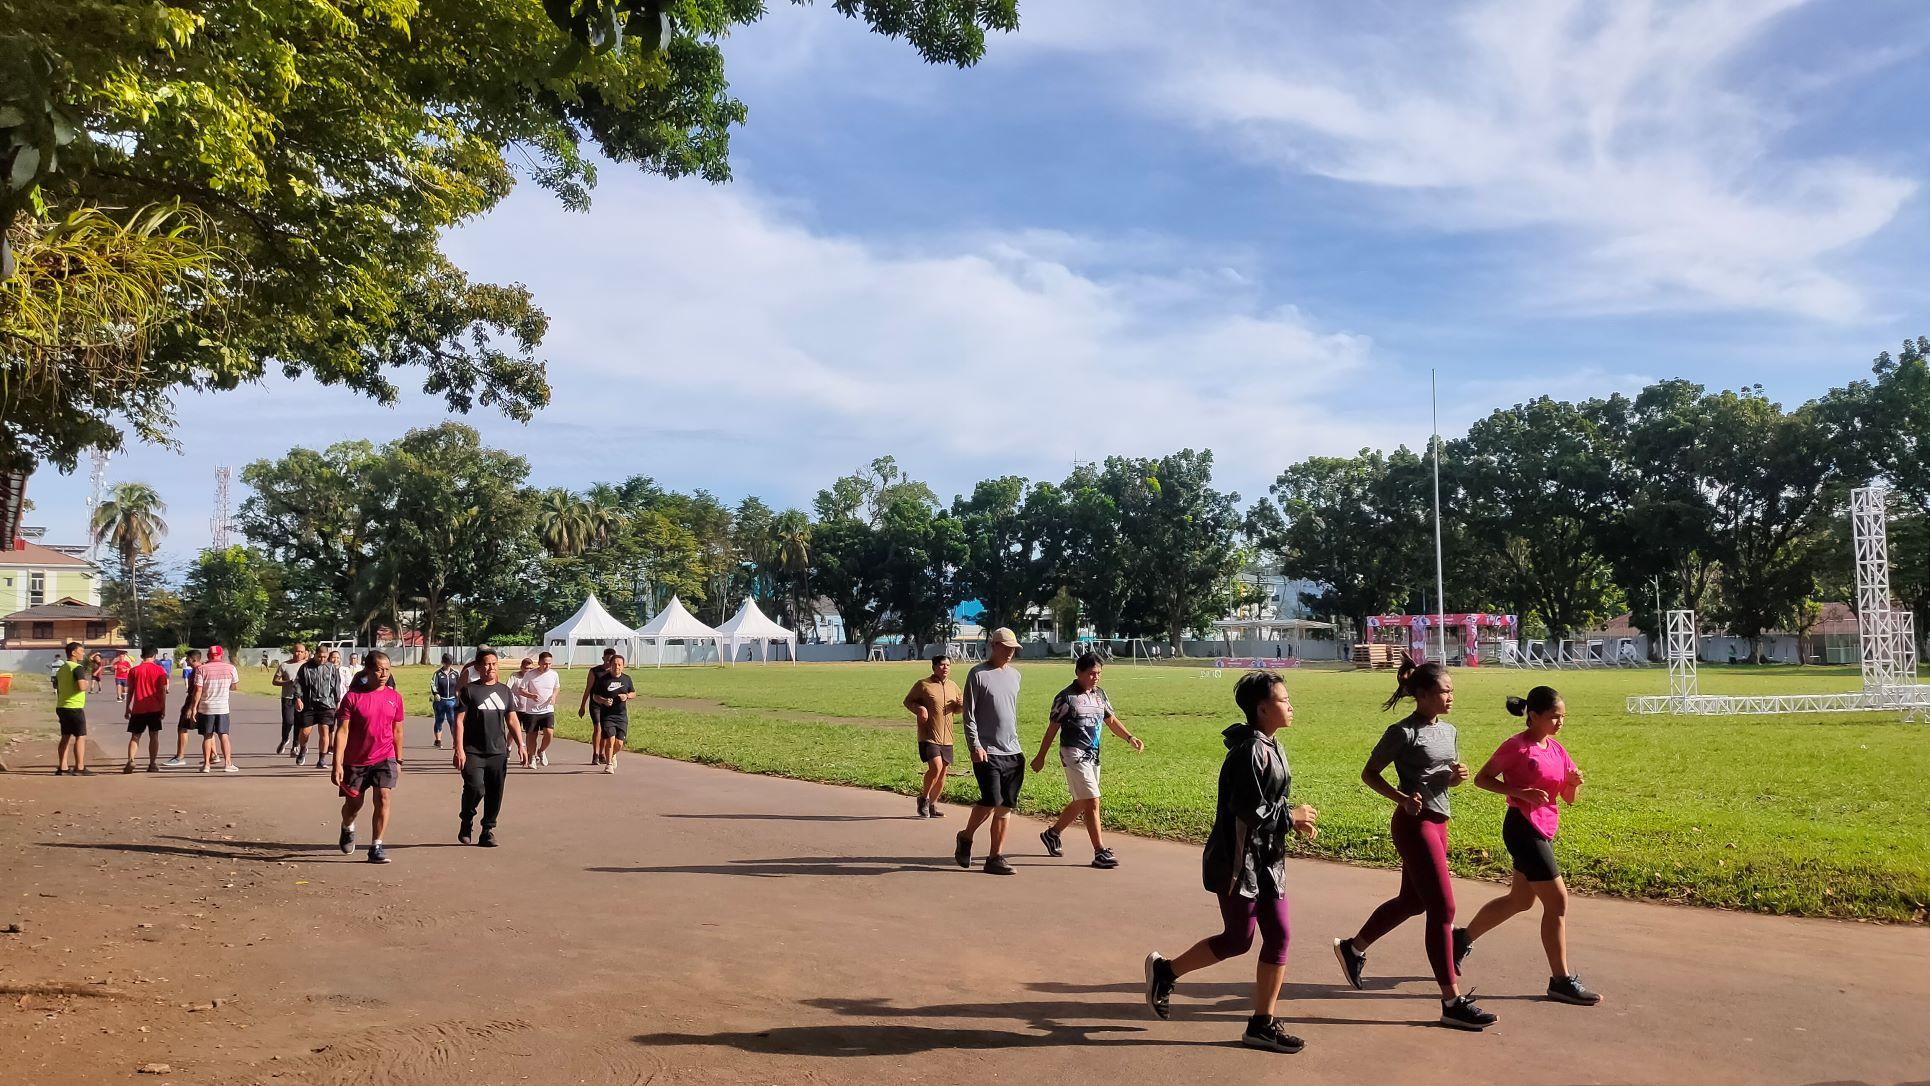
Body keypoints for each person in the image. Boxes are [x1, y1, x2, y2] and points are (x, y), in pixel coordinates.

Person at [1143, 671, 1318, 1053]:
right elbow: (1249, 809)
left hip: (1268, 860)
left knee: (1280, 936)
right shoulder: (1248, 752)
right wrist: (1291, 817)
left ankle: (1261, 1024)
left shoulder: (1271, 746)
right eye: (1284, 700)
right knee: (1238, 939)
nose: (1291, 706)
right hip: (1239, 863)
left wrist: (1291, 819)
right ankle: (1166, 971)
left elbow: (1269, 802)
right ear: (1262, 708)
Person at [1332, 658, 1495, 1031]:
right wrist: (1401, 798)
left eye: (1452, 690)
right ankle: (1451, 1001)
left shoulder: (1448, 731)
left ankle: (1352, 949)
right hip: (1413, 825)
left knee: (1413, 901)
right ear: (1422, 694)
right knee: (1443, 907)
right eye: (1444, 691)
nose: (1450, 697)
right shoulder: (1402, 732)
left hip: (1439, 822)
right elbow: (1369, 773)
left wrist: (1456, 777)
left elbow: (1441, 779)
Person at [1453, 686, 1601, 1006]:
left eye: (1563, 717)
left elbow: (1568, 798)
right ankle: (1560, 981)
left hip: (1544, 828)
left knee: (1520, 900)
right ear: (1533, 715)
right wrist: (1520, 792)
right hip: (1522, 828)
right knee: (1557, 902)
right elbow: (1482, 779)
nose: (1560, 723)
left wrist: (1572, 784)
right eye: (1554, 717)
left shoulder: (1556, 749)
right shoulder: (1516, 747)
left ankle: (1460, 940)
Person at [1032, 651, 1143, 868]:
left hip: (1093, 755)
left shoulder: (1100, 694)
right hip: (1073, 753)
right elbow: (1052, 728)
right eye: (1092, 673)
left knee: (1082, 800)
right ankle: (1100, 851)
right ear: (1078, 672)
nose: (1096, 677)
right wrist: (1040, 756)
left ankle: (1052, 834)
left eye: (1099, 673)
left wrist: (1130, 737)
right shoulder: (1066, 698)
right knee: (1092, 800)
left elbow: (1111, 720)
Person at [953, 627, 1025, 876]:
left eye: (1013, 648)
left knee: (1005, 807)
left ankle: (995, 857)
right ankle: (966, 836)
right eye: (1006, 647)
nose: (1010, 652)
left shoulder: (1015, 675)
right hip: (987, 750)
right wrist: (975, 745)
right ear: (994, 645)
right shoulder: (978, 674)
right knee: (991, 800)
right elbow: (969, 714)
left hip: (1012, 751)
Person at [332, 651, 406, 864]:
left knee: (383, 797)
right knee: (353, 805)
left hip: (385, 756)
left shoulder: (394, 697)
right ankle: (347, 826)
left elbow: (397, 730)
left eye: (387, 670)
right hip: (356, 760)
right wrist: (337, 764)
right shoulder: (352, 697)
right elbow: (342, 731)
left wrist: (399, 759)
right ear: (367, 671)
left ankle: (376, 846)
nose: (383, 674)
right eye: (379, 670)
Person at [452, 649, 524, 846]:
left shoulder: (504, 691)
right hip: (473, 750)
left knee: (495, 792)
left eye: (494, 663)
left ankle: (487, 830)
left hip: (498, 751)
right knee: (475, 788)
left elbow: (512, 719)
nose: (490, 667)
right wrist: (459, 749)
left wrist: (521, 745)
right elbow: (459, 721)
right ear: (478, 667)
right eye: (486, 664)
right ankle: (467, 820)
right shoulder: (469, 690)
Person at [902, 654, 963, 818]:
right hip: (929, 735)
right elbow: (908, 701)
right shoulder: (923, 685)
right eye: (942, 665)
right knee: (935, 767)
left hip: (947, 736)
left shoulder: (953, 686)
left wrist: (961, 706)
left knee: (943, 772)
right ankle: (923, 799)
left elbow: (957, 709)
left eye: (948, 665)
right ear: (934, 667)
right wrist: (920, 709)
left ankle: (933, 804)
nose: (945, 668)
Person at [193, 646, 241, 773]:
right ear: (221, 655)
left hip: (206, 707)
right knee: (224, 735)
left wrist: (194, 708)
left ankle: (206, 765)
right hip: (222, 707)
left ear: (208, 655)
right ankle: (228, 763)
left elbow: (198, 690)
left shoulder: (201, 669)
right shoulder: (230, 668)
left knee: (207, 736)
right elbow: (234, 687)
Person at [122, 646, 170, 774]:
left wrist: (127, 708)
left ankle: (131, 760)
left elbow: (130, 691)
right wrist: (163, 708)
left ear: (142, 656)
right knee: (154, 735)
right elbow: (162, 691)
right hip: (154, 708)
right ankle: (152, 763)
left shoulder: (134, 670)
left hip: (138, 708)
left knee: (135, 736)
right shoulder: (160, 670)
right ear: (154, 656)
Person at [53, 641, 95, 776]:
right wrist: (87, 683)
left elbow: (57, 687)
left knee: (65, 736)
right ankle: (79, 767)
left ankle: (63, 767)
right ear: (73, 653)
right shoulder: (77, 668)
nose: (83, 654)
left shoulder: (62, 669)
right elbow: (81, 687)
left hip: (62, 706)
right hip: (74, 707)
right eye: (81, 651)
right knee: (80, 737)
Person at [513, 652, 561, 767]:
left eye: (549, 664)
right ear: (539, 663)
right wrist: (531, 696)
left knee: (549, 733)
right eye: (544, 664)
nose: (547, 666)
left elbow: (557, 687)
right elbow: (521, 690)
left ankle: (542, 751)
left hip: (548, 709)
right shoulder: (530, 674)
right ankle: (532, 757)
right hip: (532, 711)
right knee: (532, 735)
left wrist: (554, 696)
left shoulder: (554, 674)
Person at [294, 650, 340, 768]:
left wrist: (337, 701)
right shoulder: (305, 668)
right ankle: (303, 749)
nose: (322, 659)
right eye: (319, 657)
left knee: (324, 730)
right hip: (310, 704)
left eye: (324, 657)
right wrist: (298, 698)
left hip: (327, 704)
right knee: (305, 732)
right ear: (315, 655)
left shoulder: (332, 668)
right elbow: (298, 683)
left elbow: (336, 685)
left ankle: (321, 759)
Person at [590, 654, 635, 774]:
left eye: (619, 664)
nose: (617, 667)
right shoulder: (603, 679)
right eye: (614, 664)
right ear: (610, 665)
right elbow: (595, 696)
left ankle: (613, 754)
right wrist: (604, 701)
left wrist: (626, 696)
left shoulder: (626, 679)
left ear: (623, 666)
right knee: (610, 739)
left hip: (621, 715)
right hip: (607, 715)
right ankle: (608, 764)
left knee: (619, 743)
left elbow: (633, 693)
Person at [577, 647, 617, 765]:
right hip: (596, 704)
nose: (608, 662)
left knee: (605, 729)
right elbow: (588, 689)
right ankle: (595, 754)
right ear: (603, 658)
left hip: (608, 705)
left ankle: (602, 754)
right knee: (598, 727)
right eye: (607, 659)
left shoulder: (614, 673)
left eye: (611, 660)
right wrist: (582, 706)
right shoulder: (595, 671)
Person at [272, 643, 307, 755]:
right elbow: (275, 681)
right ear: (293, 652)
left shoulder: (306, 666)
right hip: (288, 697)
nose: (298, 654)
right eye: (297, 651)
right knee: (288, 721)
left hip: (302, 698)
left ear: (305, 653)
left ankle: (295, 745)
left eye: (301, 652)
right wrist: (287, 682)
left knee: (299, 723)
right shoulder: (285, 665)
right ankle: (284, 739)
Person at [430, 655, 461, 749]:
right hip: (440, 701)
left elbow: (460, 684)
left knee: (453, 721)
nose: (448, 665)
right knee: (439, 720)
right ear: (443, 662)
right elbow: (433, 684)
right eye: (446, 663)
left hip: (452, 701)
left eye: (450, 663)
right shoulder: (437, 674)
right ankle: (438, 740)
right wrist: (435, 693)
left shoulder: (455, 673)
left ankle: (455, 741)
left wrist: (459, 696)